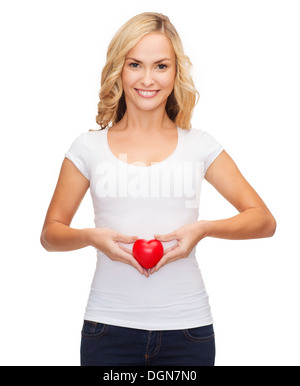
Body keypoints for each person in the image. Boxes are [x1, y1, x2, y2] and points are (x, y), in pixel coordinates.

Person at [40, 12, 276, 366]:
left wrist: (203, 229)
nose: (147, 79)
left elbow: (263, 220)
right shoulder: (87, 148)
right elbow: (50, 234)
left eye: (161, 66)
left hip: (188, 330)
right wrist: (92, 237)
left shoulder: (200, 145)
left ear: (176, 72)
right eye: (135, 64)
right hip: (108, 329)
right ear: (119, 68)